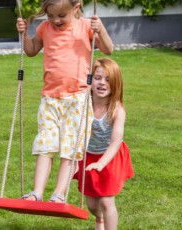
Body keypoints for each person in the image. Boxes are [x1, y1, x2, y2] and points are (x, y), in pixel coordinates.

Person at [16, 0, 113, 202]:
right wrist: (24, 33)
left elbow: (108, 49)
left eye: (61, 16)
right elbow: (32, 50)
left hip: (77, 98)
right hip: (50, 99)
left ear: (76, 8)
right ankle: (37, 193)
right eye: (51, 16)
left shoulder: (86, 26)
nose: (55, 20)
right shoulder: (45, 28)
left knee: (69, 149)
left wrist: (100, 28)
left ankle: (59, 195)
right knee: (45, 145)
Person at [74, 58, 134, 230]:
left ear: (115, 84)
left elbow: (115, 142)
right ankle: (99, 220)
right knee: (92, 204)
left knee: (107, 201)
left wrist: (101, 163)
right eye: (98, 78)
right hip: (88, 154)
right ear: (90, 80)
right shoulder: (84, 104)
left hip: (110, 156)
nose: (102, 83)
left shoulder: (116, 110)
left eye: (108, 79)